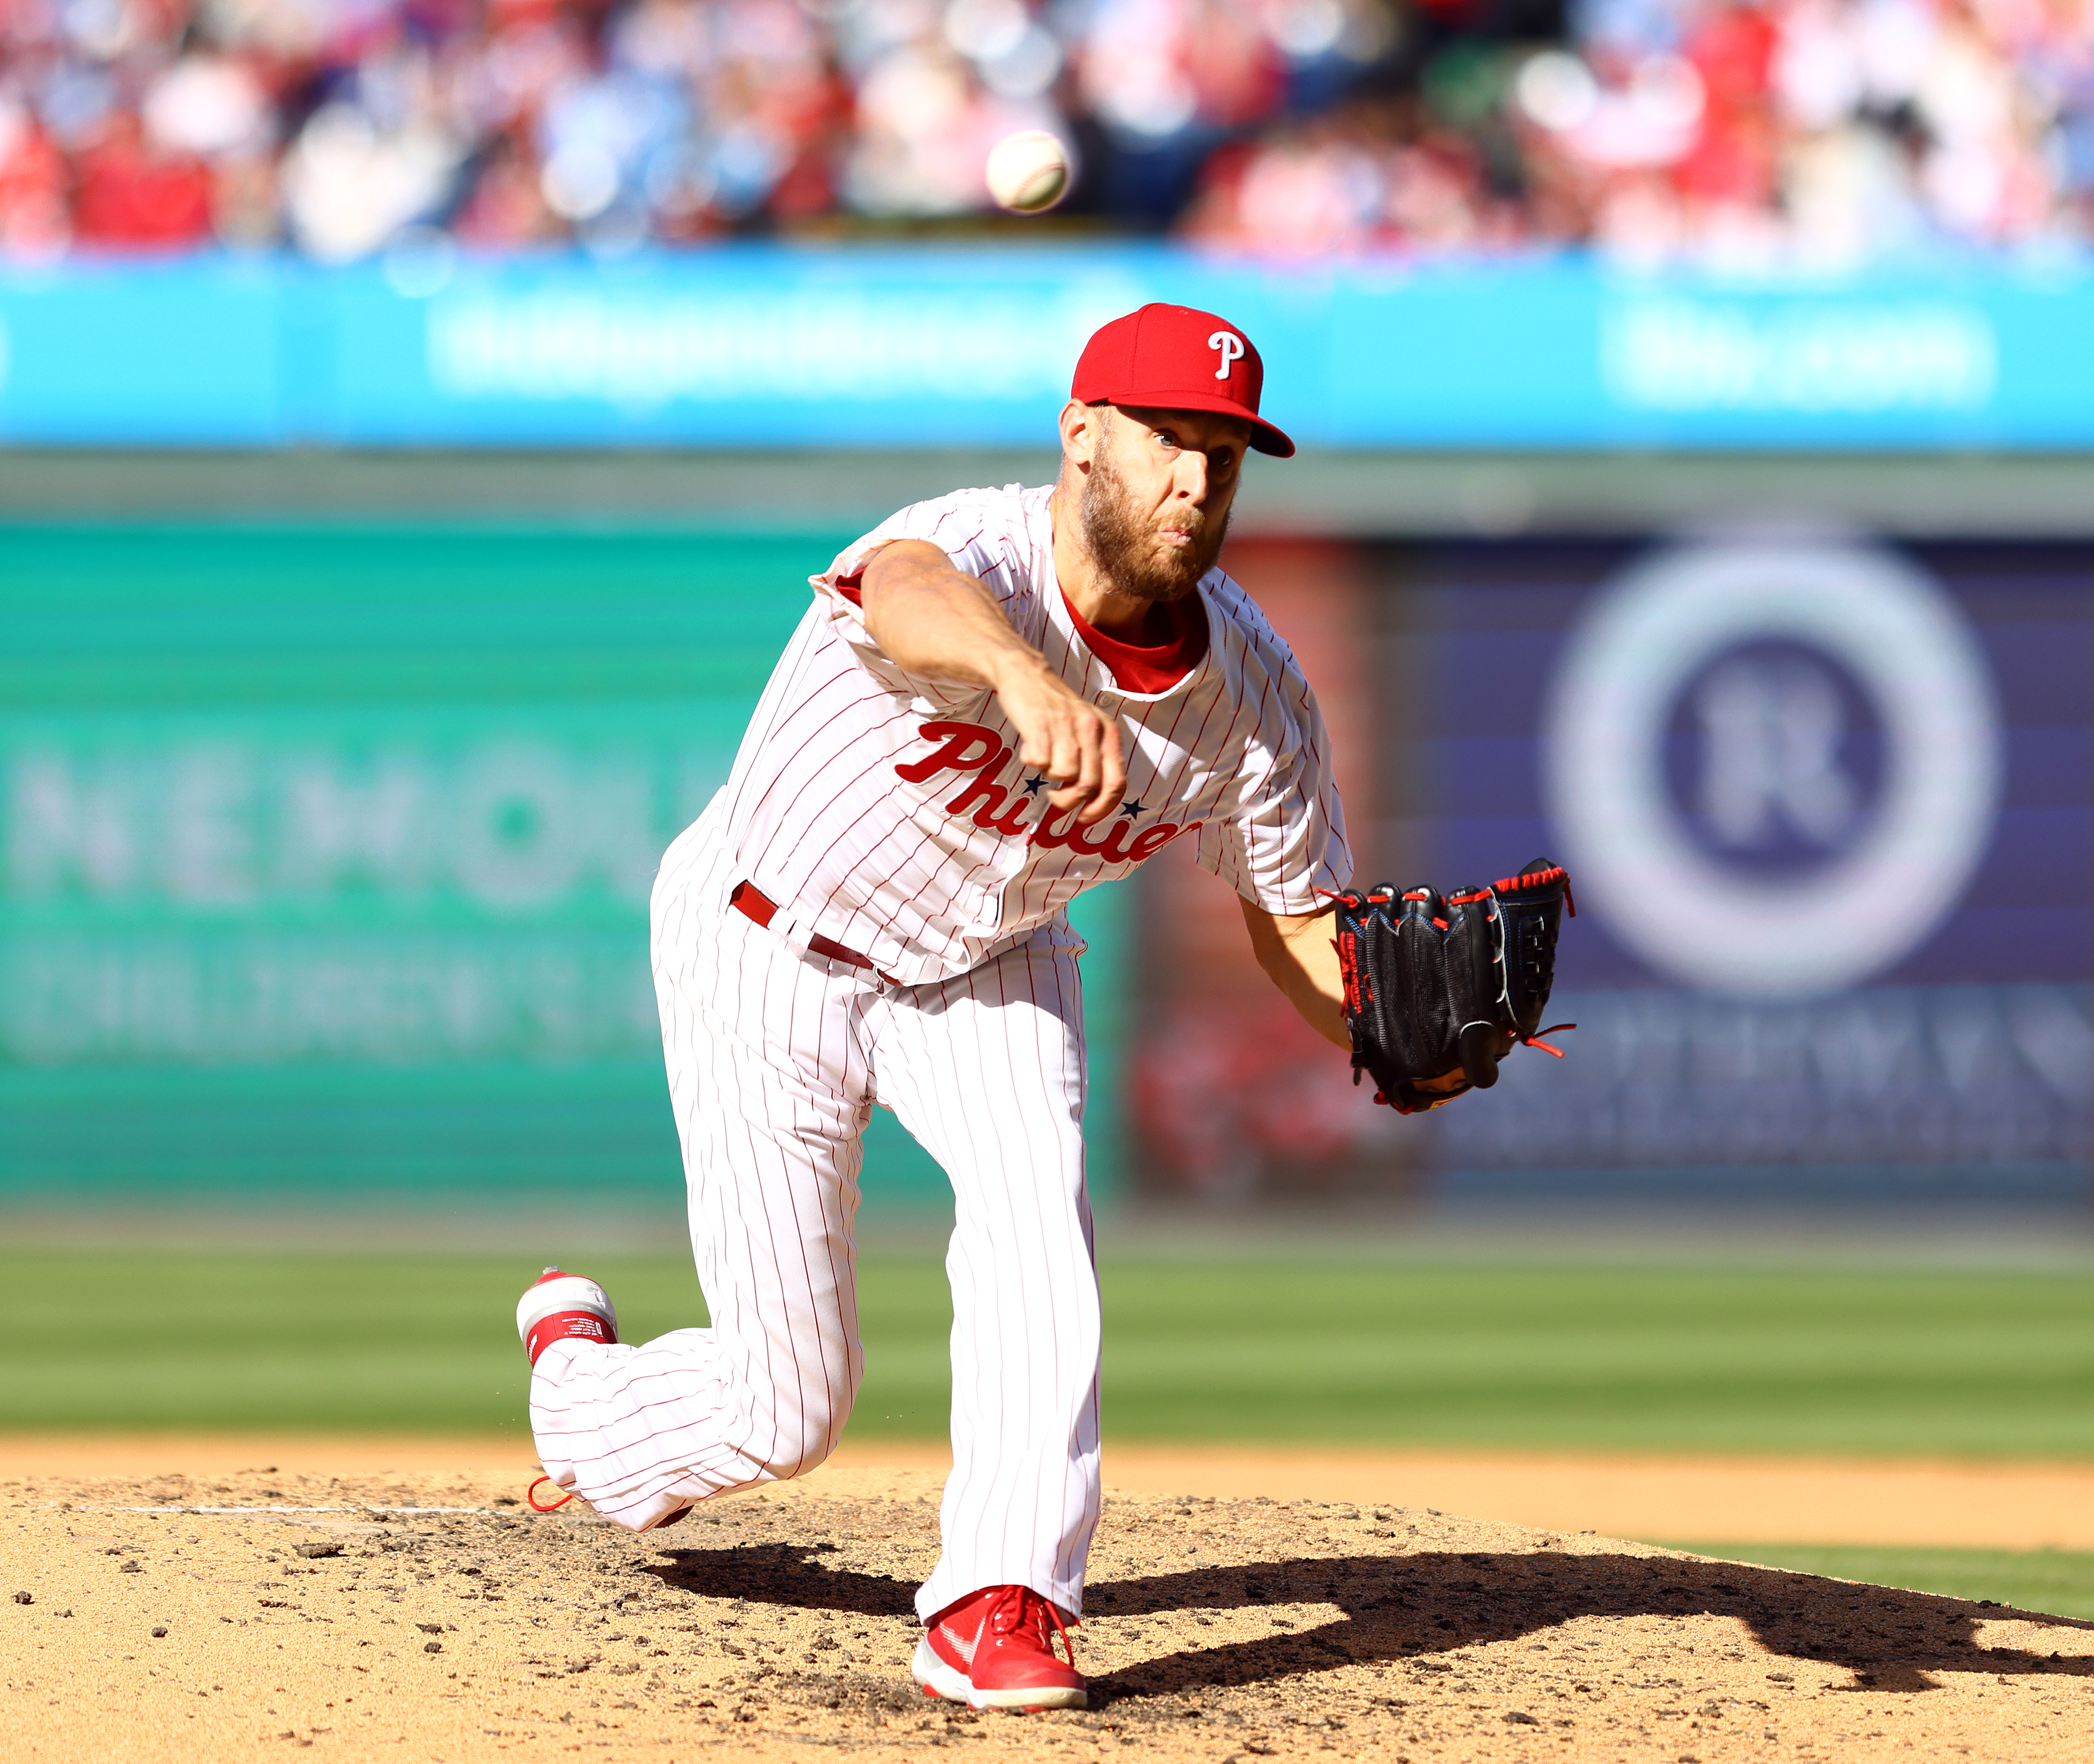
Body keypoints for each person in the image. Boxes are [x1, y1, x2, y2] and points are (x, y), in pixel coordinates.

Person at [513, 300, 1454, 1712]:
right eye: (1168, 441)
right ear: (1083, 439)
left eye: (1228, 453)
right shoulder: (980, 549)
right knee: (787, 1406)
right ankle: (583, 1395)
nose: (1197, 481)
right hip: (769, 939)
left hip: (990, 963)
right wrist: (1015, 671)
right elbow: (901, 585)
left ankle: (1003, 1595)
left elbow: (1302, 927)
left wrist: (1395, 1039)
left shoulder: (1254, 697)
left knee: (1037, 1216)